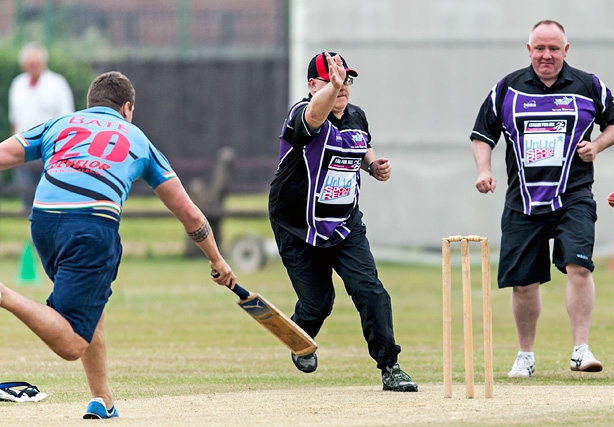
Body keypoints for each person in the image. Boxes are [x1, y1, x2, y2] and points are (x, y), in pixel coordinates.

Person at [0, 71, 236, 418]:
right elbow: (191, 215)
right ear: (128, 108)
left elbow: (4, 154)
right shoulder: (138, 139)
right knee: (70, 343)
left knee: (91, 305)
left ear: (90, 105)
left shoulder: (61, 124)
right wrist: (217, 259)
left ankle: (102, 399)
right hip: (92, 227)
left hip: (44, 222)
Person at [470, 20, 614, 378]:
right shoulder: (507, 88)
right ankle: (525, 355)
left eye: (553, 49)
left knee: (579, 267)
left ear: (566, 50)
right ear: (529, 50)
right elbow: (482, 134)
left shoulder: (588, 85)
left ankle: (580, 349)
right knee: (523, 283)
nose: (546, 55)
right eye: (539, 49)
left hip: (573, 195)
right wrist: (484, 169)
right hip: (523, 201)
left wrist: (597, 145)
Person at [268, 52, 417, 392]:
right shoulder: (302, 115)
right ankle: (300, 334)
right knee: (318, 303)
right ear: (312, 85)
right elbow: (315, 117)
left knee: (370, 291)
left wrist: (373, 166)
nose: (342, 87)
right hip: (297, 226)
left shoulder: (356, 116)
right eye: (332, 79)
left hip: (344, 223)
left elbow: (360, 146)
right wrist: (330, 91)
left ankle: (390, 366)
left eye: (345, 80)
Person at [8, 42, 75, 211]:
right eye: (29, 63)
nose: (32, 67)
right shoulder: (17, 84)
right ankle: (30, 235)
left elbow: (67, 117)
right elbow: (14, 119)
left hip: (50, 150)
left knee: (50, 196)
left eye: (35, 63)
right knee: (26, 197)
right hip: (24, 149)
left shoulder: (57, 83)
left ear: (43, 63)